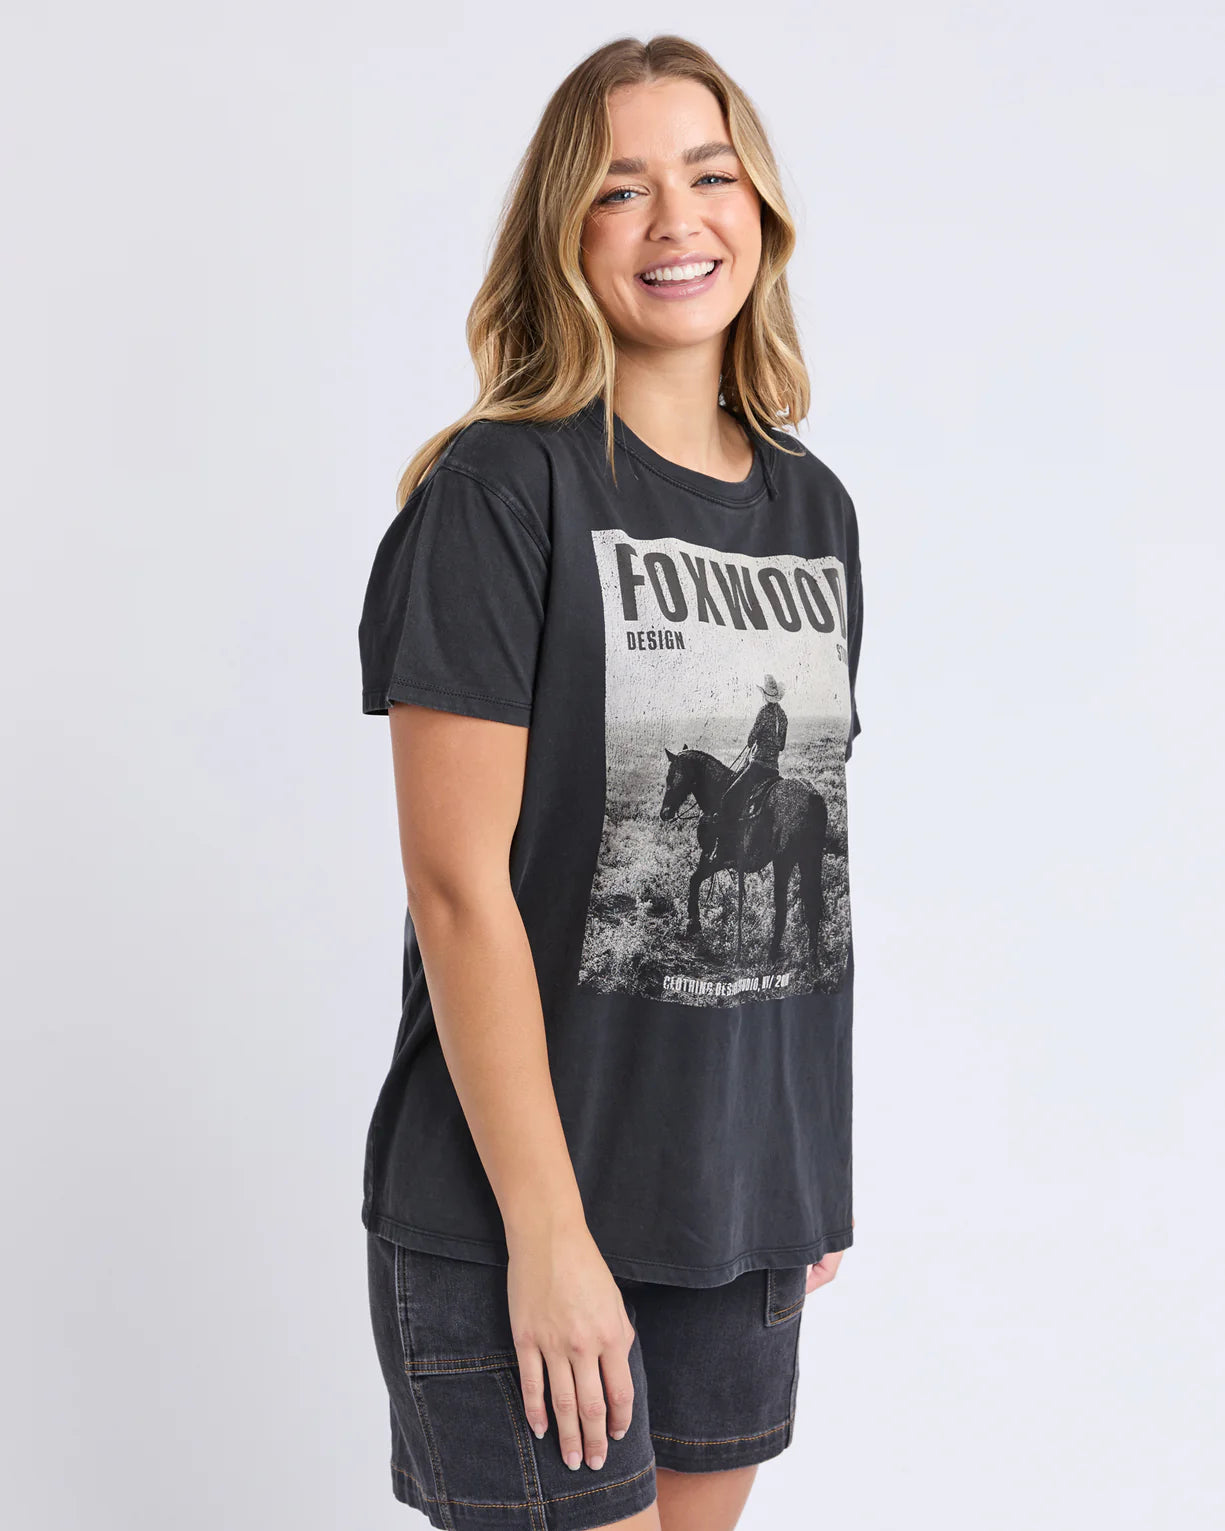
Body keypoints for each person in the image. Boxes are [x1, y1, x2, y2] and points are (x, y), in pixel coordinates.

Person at [357, 34, 864, 1531]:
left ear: (760, 211)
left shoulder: (813, 509)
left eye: (710, 177)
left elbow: (822, 848)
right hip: (522, 1211)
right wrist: (547, 1233)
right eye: (620, 189)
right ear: (564, 233)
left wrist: (803, 1162)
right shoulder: (500, 490)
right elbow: (456, 885)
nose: (674, 221)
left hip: (737, 1201)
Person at [711, 673, 788, 868]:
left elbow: (750, 739)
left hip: (758, 767)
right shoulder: (783, 717)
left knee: (728, 799)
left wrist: (757, 741)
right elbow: (781, 746)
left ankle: (721, 848)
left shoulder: (763, 712)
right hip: (773, 771)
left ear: (765, 695)